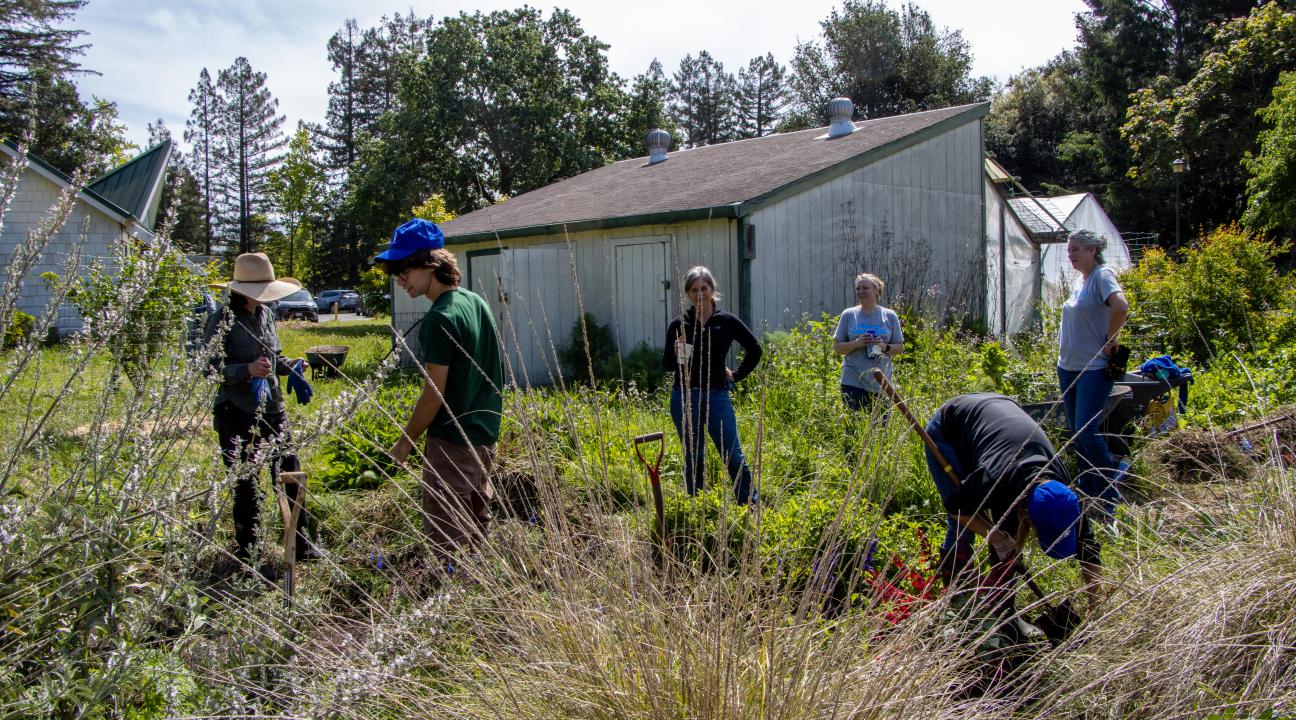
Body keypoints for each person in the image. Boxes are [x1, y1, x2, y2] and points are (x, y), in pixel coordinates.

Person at [377, 218, 505, 564]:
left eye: (404, 268)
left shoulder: (439, 319)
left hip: (452, 441)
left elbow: (433, 393)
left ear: (430, 263)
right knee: (477, 527)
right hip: (483, 435)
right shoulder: (474, 302)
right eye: (394, 271)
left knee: (448, 538)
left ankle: (450, 605)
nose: (399, 279)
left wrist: (405, 441)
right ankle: (482, 596)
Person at [924, 393, 1101, 612]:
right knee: (964, 527)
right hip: (950, 427)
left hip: (1001, 424)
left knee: (1005, 529)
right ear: (1028, 515)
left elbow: (1088, 547)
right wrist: (997, 537)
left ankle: (1004, 610)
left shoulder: (1064, 496)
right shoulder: (996, 478)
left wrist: (1096, 608)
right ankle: (958, 601)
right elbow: (955, 509)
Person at [204, 252, 311, 570]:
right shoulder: (222, 320)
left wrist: (290, 366)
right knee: (247, 486)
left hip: (272, 409)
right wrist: (246, 369)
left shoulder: (265, 314)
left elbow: (273, 357)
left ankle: (300, 545)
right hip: (237, 413)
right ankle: (251, 556)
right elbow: (210, 370)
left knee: (290, 474)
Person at [663, 266, 763, 504]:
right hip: (684, 397)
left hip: (717, 395)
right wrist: (676, 351)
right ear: (688, 293)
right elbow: (667, 365)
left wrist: (736, 375)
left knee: (732, 453)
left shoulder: (726, 321)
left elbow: (755, 350)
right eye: (694, 290)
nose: (699, 294)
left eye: (704, 288)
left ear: (712, 289)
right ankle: (696, 504)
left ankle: (748, 502)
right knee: (693, 454)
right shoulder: (679, 324)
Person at [1057, 229, 1129, 517]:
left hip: (1093, 369)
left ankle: (1109, 493)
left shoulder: (1102, 275)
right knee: (1078, 433)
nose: (1071, 255)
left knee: (1087, 431)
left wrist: (1112, 339)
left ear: (1091, 250)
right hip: (1069, 367)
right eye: (1069, 250)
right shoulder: (1080, 280)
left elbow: (1120, 306)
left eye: (1076, 249)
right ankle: (1089, 489)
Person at [833, 273, 904, 410]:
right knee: (853, 426)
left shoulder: (889, 316)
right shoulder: (849, 315)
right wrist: (857, 343)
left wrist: (884, 346)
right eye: (858, 289)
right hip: (853, 380)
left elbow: (899, 348)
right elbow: (837, 348)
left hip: (881, 381)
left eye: (865, 288)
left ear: (876, 290)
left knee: (879, 426)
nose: (861, 292)